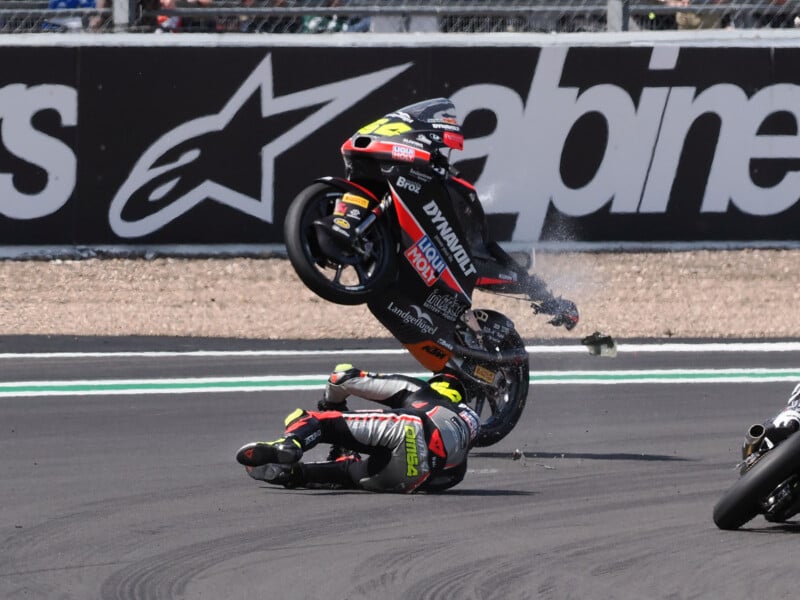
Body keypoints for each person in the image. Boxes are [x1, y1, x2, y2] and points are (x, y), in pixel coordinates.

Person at [235, 364, 481, 493]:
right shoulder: (469, 426)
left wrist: (334, 403)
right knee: (348, 473)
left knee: (321, 421)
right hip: (420, 477)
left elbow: (343, 377)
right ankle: (294, 474)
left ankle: (291, 443)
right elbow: (447, 480)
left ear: (441, 386)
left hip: (413, 429)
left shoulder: (425, 392)